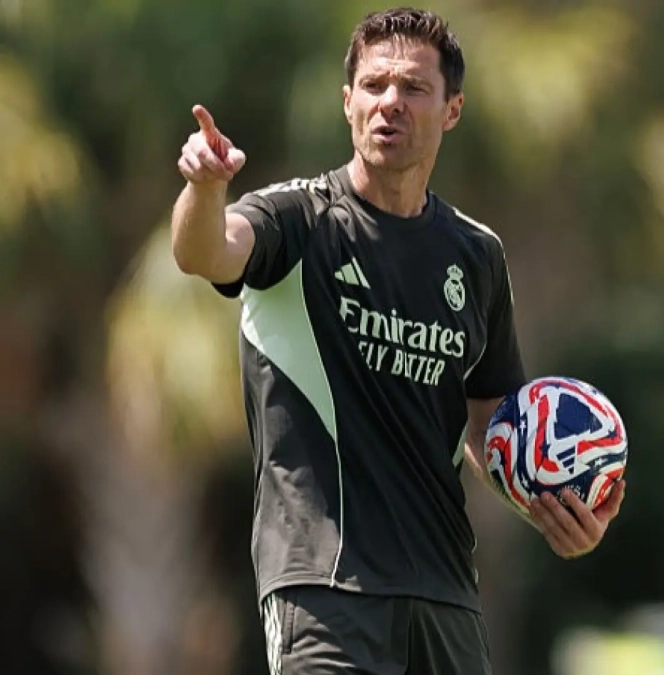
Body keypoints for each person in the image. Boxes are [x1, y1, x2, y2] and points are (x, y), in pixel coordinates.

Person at [170, 7, 625, 674]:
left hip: (446, 591)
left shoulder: (476, 255)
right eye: (375, 85)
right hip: (325, 586)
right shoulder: (298, 220)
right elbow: (205, 252)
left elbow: (490, 425)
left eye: (414, 88)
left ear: (452, 109)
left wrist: (550, 506)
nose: (391, 103)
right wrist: (204, 187)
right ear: (347, 101)